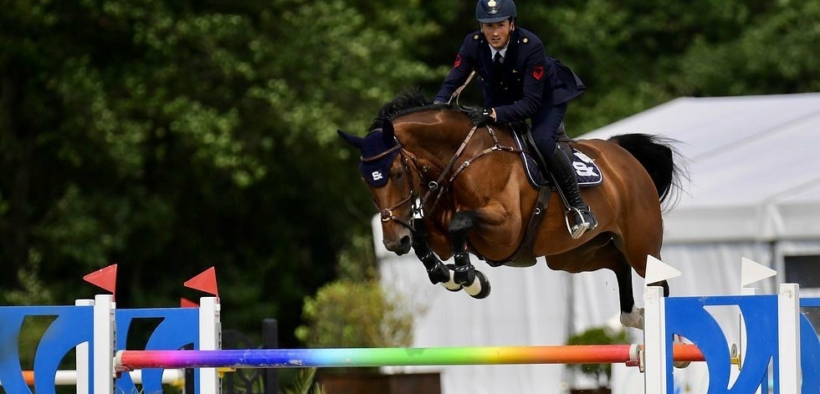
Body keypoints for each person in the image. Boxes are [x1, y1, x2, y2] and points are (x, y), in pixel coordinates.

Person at [433, 0, 596, 239]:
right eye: (488, 26)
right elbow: (452, 81)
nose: (494, 32)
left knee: (541, 139)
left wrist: (492, 113)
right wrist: (436, 109)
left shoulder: (530, 46)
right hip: (502, 95)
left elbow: (530, 103)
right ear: (481, 27)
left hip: (544, 96)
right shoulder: (473, 43)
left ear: (512, 24)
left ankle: (579, 208)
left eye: (500, 24)